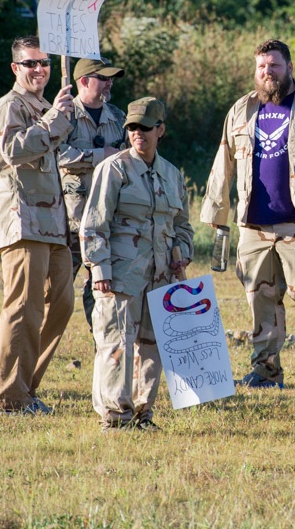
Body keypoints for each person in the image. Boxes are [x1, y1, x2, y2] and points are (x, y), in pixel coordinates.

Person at [200, 39, 295, 389]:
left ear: (290, 68)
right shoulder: (242, 110)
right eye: (261, 67)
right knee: (259, 300)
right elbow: (224, 159)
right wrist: (217, 210)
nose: (267, 72)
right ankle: (266, 371)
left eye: (274, 66)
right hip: (254, 224)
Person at [81, 97, 193, 431]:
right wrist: (99, 270)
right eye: (131, 128)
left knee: (152, 346)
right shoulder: (114, 169)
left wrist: (184, 252)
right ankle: (116, 417)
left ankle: (144, 414)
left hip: (161, 276)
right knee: (116, 344)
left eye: (144, 127)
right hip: (120, 276)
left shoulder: (172, 175)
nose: (137, 133)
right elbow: (94, 225)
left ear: (161, 130)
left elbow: (182, 226)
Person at [0, 35, 76, 415]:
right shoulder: (9, 107)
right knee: (24, 307)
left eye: (45, 63)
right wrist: (55, 119)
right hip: (22, 221)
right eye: (30, 63)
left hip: (53, 224)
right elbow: (14, 150)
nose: (39, 69)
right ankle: (7, 398)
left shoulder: (48, 107)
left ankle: (25, 388)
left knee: (62, 304)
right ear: (15, 68)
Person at [58, 57, 127, 332]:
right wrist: (100, 155)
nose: (109, 83)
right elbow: (57, 155)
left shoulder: (118, 117)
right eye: (103, 78)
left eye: (111, 78)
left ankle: (102, 339)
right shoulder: (65, 114)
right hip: (71, 222)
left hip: (106, 220)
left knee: (101, 285)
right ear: (84, 81)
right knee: (57, 288)